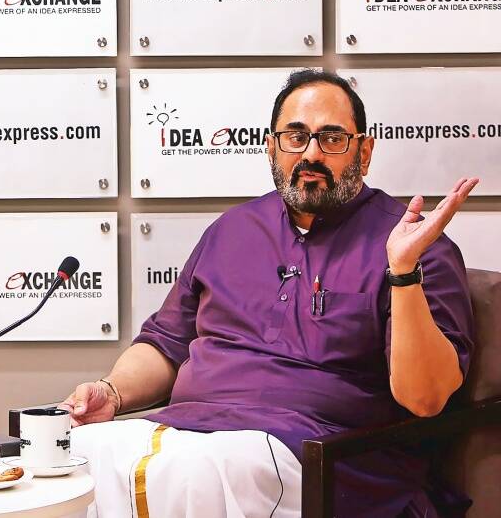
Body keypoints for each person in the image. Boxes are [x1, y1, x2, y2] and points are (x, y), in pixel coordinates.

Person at [62, 69, 477, 518]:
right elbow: (165, 345)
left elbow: (426, 397)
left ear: (364, 151)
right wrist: (111, 392)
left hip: (328, 457)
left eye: (332, 138)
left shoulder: (416, 248)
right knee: (74, 455)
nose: (311, 154)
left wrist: (402, 273)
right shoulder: (231, 230)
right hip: (190, 433)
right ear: (271, 147)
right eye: (295, 137)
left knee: (197, 473)